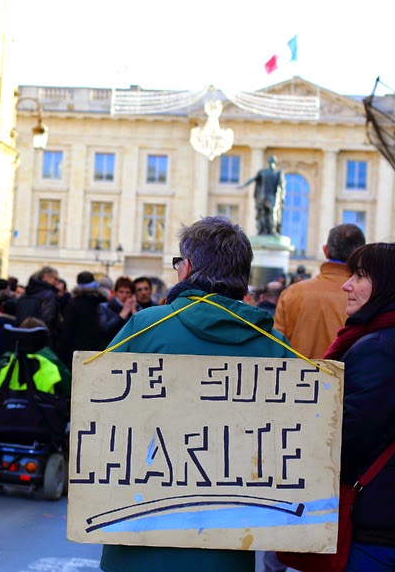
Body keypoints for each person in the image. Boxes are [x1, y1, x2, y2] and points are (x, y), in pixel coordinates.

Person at [102, 217, 291, 572]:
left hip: (139, 540)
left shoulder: (144, 328)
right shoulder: (274, 347)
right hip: (227, 549)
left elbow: (96, 417)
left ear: (186, 268)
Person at [308, 242, 395, 569]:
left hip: (373, 523)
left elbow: (347, 437)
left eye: (360, 276)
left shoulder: (381, 347)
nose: (346, 284)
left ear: (388, 286)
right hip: (392, 513)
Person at [273, 223, 366, 360]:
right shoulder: (367, 296)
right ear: (361, 255)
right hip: (345, 379)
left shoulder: (292, 293)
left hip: (298, 379)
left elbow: (276, 347)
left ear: (325, 251)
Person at [57, 271, 111, 367]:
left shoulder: (73, 304)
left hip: (77, 353)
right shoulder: (102, 301)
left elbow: (67, 331)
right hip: (99, 352)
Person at [15, 266, 60, 336]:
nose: (57, 282)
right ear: (46, 276)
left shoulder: (26, 292)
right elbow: (48, 317)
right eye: (55, 278)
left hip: (22, 332)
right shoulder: (49, 294)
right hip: (40, 335)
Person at [99, 277, 137, 343]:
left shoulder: (136, 307)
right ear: (115, 292)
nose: (124, 295)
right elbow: (104, 330)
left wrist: (134, 311)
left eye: (128, 292)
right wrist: (121, 315)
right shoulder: (105, 307)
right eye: (121, 292)